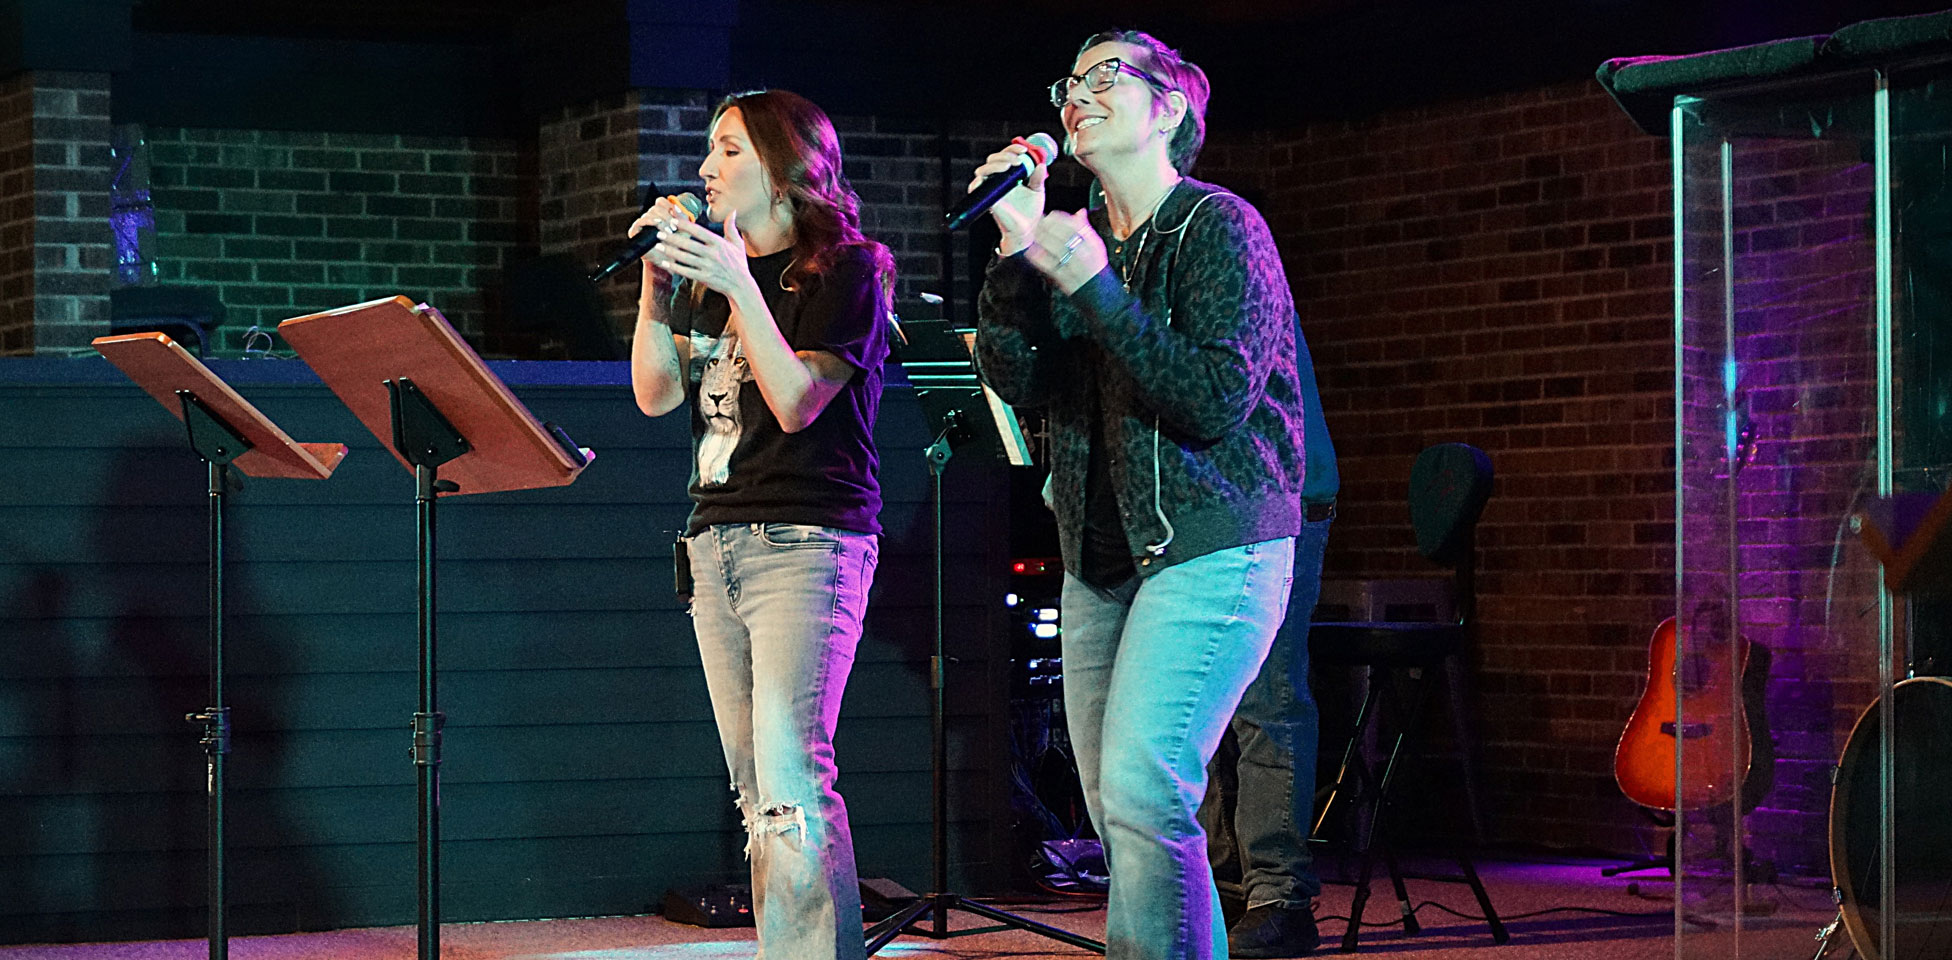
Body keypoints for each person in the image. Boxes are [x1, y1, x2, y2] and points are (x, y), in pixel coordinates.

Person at [972, 28, 1311, 960]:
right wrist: (1014, 253)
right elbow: (1019, 379)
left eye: (1107, 76)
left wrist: (1098, 289)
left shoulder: (1219, 227)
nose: (1078, 95)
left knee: (1143, 781)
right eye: (1069, 82)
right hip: (1102, 560)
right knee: (1118, 805)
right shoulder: (1068, 242)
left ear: (1172, 106)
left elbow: (1212, 400)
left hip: (1215, 542)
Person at [629, 88, 893, 960]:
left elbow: (793, 401)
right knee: (756, 790)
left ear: (786, 165)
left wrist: (736, 278)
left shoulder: (848, 270)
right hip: (716, 546)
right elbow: (657, 393)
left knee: (790, 782)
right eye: (709, 151)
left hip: (807, 546)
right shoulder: (713, 279)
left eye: (729, 150)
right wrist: (658, 282)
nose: (706, 169)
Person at [1200, 329, 1336, 958]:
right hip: (1213, 501)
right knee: (1205, 704)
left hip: (1276, 495)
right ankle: (1226, 885)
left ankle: (1280, 897)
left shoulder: (1229, 247)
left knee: (1266, 702)